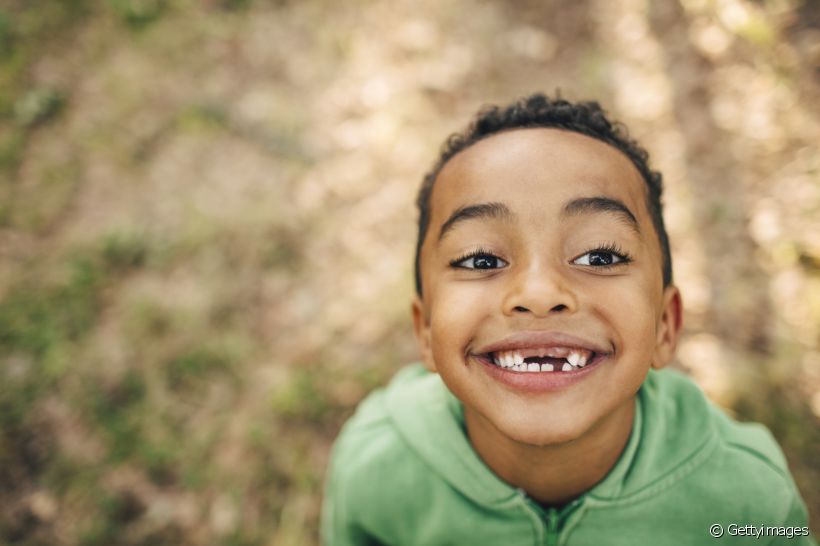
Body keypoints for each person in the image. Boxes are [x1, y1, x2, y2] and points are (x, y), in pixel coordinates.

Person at [320, 94, 816, 545]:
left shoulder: (748, 504)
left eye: (599, 256)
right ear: (424, 330)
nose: (539, 294)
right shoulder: (374, 468)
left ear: (665, 325)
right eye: (480, 260)